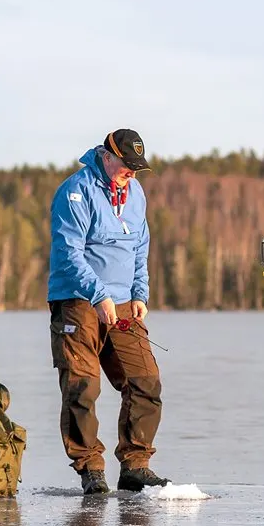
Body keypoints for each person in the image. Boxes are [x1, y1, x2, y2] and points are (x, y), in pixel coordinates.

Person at [46, 128, 171, 495]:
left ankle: (135, 464)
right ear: (107, 155)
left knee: (145, 380)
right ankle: (90, 469)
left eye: (136, 168)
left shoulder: (135, 194)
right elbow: (69, 252)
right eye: (126, 166)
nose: (130, 173)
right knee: (82, 386)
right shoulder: (76, 190)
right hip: (77, 301)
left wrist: (139, 293)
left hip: (122, 304)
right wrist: (98, 295)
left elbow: (139, 247)